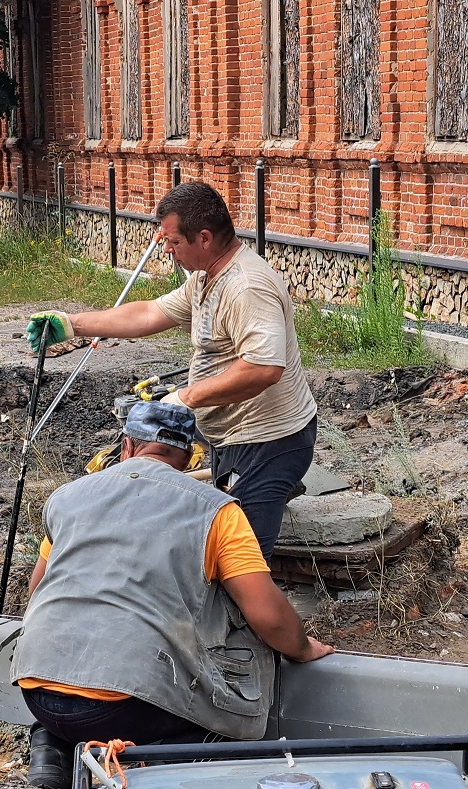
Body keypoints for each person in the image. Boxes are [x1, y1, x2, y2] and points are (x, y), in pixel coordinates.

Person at [11, 400, 332, 789]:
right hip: (129, 705)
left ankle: (52, 743)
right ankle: (161, 761)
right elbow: (267, 614)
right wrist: (303, 649)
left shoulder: (68, 497)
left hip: (37, 688)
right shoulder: (216, 511)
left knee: (81, 693)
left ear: (126, 445)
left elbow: (38, 588)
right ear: (188, 457)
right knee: (235, 705)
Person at [27, 180, 318, 557]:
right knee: (216, 541)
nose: (166, 250)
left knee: (240, 561)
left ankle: (254, 611)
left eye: (173, 242)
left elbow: (264, 368)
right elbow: (151, 312)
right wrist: (72, 324)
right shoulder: (205, 277)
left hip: (270, 442)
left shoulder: (247, 287)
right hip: (231, 438)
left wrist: (186, 397)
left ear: (204, 238)